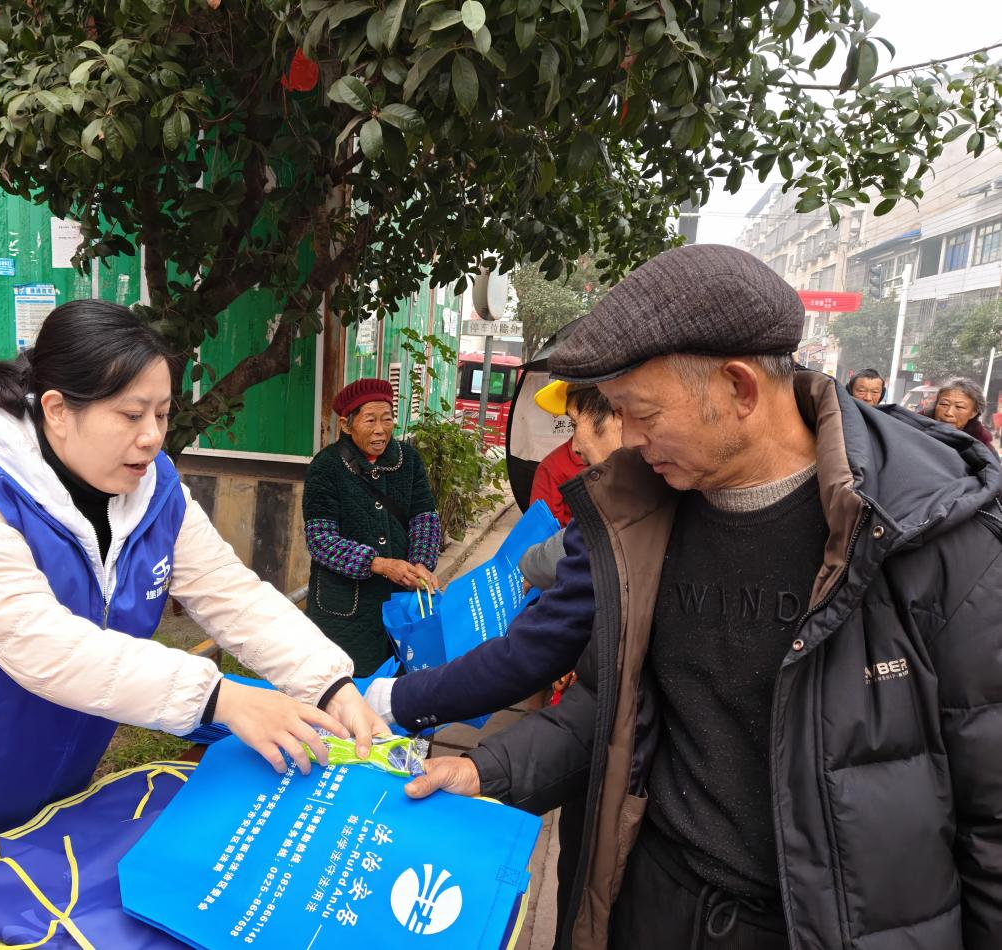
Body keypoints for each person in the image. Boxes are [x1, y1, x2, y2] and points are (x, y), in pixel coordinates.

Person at [405, 244, 1002, 950]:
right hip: (652, 906)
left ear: (739, 389)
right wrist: (487, 768)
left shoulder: (932, 535)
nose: (628, 441)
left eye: (643, 413)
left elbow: (990, 817)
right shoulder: (648, 515)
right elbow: (608, 707)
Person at [0, 301, 386, 949]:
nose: (152, 436)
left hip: (55, 792)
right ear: (57, 410)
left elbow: (229, 592)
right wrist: (220, 697)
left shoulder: (152, 488)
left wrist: (327, 682)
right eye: (131, 415)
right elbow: (39, 643)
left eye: (162, 413)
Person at [302, 378, 441, 675]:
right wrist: (379, 564)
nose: (380, 429)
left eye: (387, 419)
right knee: (345, 684)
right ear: (346, 424)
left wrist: (421, 563)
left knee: (400, 685)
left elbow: (424, 517)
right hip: (343, 611)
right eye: (370, 420)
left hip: (401, 602)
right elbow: (320, 540)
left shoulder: (408, 460)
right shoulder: (326, 466)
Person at [529, 381, 623, 524]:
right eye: (573, 424)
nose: (575, 447)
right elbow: (541, 532)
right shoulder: (552, 467)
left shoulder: (650, 468)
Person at [929, 376, 994, 448]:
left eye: (959, 407)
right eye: (944, 404)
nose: (949, 413)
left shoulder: (981, 447)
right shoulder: (919, 429)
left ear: (973, 413)